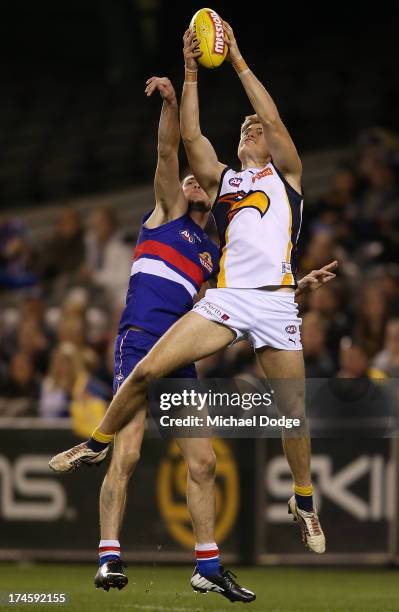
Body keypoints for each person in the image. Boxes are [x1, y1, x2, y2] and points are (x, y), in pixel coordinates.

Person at [50, 58, 338, 596]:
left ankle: (304, 503)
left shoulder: (289, 178)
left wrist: (237, 59)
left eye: (261, 127)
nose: (256, 127)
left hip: (274, 305)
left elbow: (272, 118)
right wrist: (191, 73)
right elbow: (187, 137)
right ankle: (94, 445)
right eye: (247, 126)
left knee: (293, 412)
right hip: (225, 303)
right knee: (145, 375)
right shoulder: (221, 184)